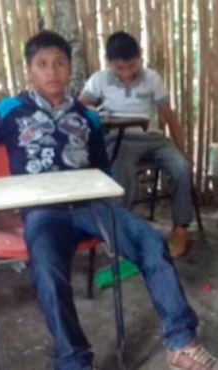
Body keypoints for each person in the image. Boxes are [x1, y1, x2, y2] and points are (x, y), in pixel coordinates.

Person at [0, 31, 218, 370]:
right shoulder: (10, 111)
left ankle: (182, 344)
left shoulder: (86, 117)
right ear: (30, 69)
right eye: (42, 64)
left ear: (71, 68)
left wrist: (110, 220)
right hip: (42, 212)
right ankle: (74, 360)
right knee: (47, 269)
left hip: (92, 207)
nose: (52, 72)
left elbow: (101, 170)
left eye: (60, 64)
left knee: (150, 242)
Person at [79, 31, 193, 258]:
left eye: (132, 66)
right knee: (121, 170)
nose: (128, 73)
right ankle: (122, 229)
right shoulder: (99, 80)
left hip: (152, 138)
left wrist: (183, 150)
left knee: (181, 167)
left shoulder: (152, 79)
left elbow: (169, 117)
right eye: (120, 68)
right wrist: (91, 112)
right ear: (109, 62)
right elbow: (80, 107)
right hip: (120, 139)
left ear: (140, 56)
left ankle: (180, 228)